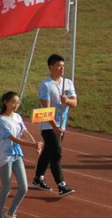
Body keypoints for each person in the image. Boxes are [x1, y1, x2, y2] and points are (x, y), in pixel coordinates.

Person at [0, 91, 43, 218]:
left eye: (18, 102)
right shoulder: (1, 119)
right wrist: (32, 145)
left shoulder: (18, 117)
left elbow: (25, 132)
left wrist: (36, 145)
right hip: (6, 155)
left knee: (23, 187)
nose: (16, 105)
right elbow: (12, 138)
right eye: (13, 102)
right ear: (6, 102)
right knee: (7, 187)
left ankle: (10, 214)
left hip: (17, 154)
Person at [32, 54, 78, 197]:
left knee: (48, 152)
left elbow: (74, 103)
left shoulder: (68, 83)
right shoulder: (45, 85)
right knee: (56, 154)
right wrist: (54, 127)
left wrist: (66, 101)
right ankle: (61, 185)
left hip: (62, 124)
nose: (62, 68)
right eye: (59, 66)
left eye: (63, 66)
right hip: (48, 126)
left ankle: (38, 178)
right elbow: (45, 109)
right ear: (51, 67)